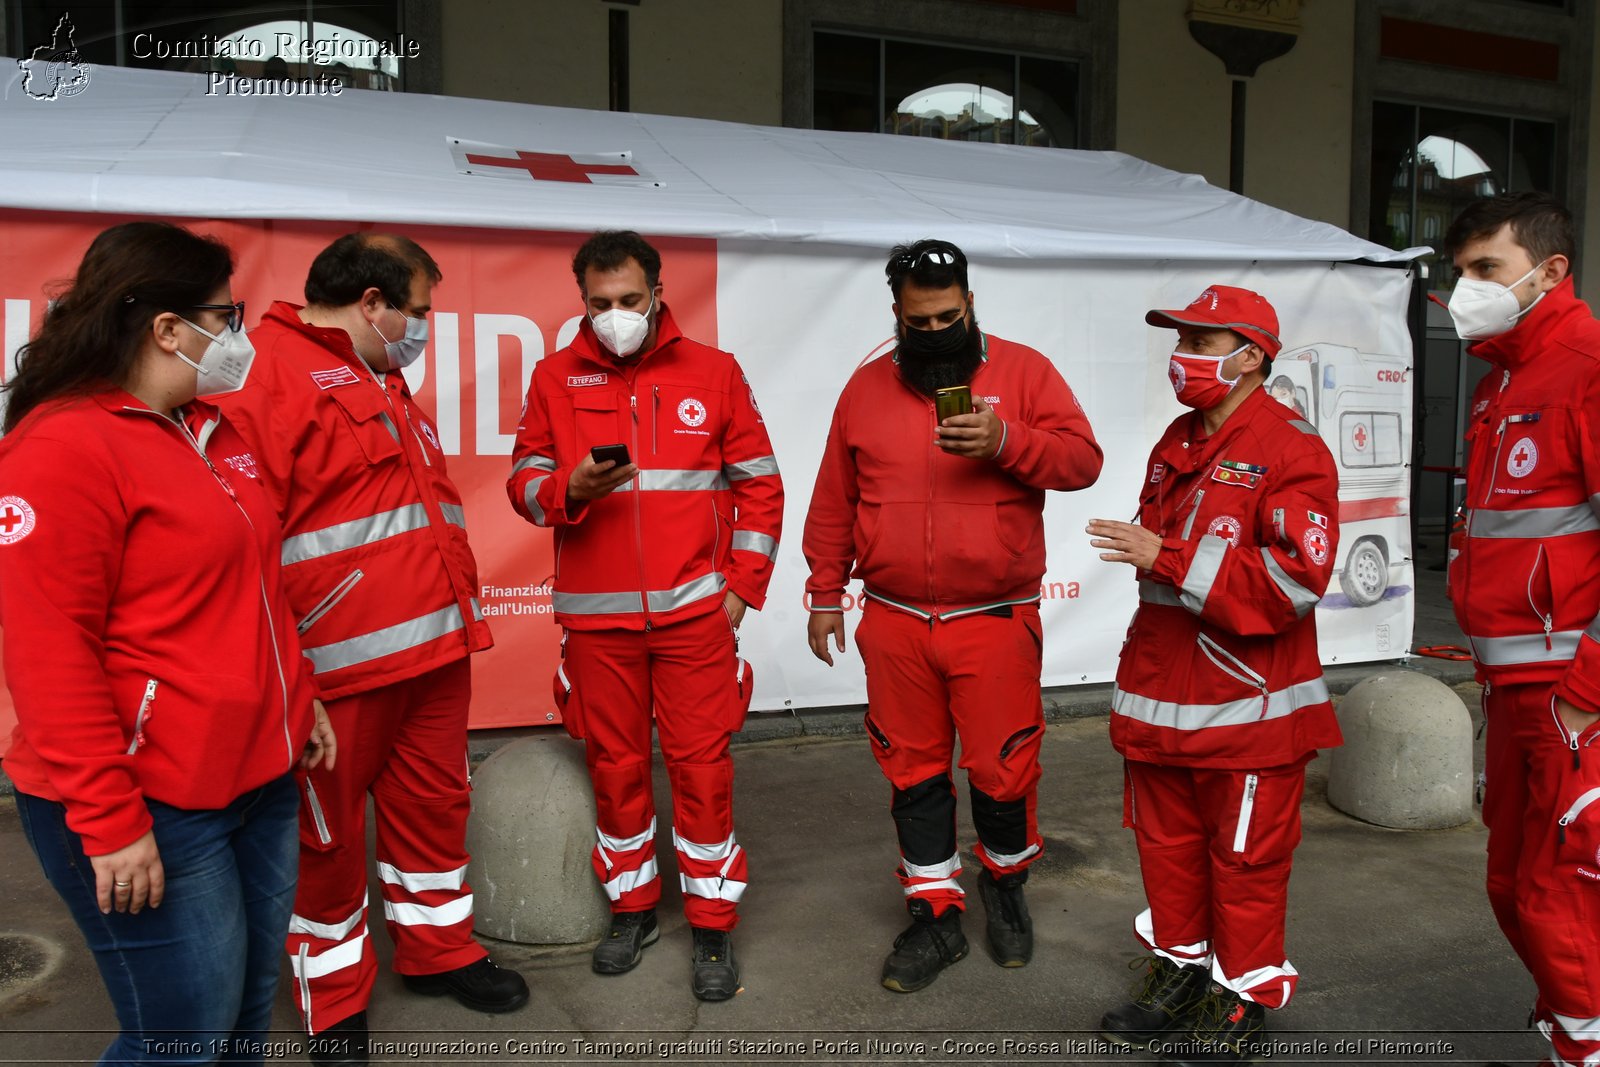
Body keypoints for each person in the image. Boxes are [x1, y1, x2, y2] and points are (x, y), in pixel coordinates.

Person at [0, 220, 333, 1064]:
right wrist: (111, 822)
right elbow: (49, 653)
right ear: (167, 328)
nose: (238, 336)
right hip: (151, 800)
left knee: (243, 1016)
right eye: (228, 316)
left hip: (259, 780)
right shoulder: (61, 447)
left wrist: (302, 698)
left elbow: (252, 589)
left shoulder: (214, 431)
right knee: (180, 1036)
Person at [219, 233, 526, 1065]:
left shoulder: (379, 373)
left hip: (432, 653)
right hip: (337, 667)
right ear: (372, 302)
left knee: (434, 812)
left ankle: (438, 950)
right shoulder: (262, 372)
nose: (424, 326)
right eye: (418, 310)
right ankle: (334, 998)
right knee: (323, 843)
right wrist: (292, 674)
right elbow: (244, 539)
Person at [803, 239, 1102, 992]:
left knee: (1002, 769)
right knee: (914, 773)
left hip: (994, 618)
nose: (934, 330)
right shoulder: (865, 389)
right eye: (918, 319)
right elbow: (835, 500)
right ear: (896, 314)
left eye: (947, 315)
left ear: (970, 303)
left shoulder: (1025, 372)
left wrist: (1009, 441)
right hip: (896, 617)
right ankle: (934, 913)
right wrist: (823, 592)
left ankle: (1005, 891)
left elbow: (1082, 461)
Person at [508, 230, 783, 1001]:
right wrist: (569, 490)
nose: (615, 315)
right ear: (582, 302)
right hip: (598, 626)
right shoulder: (553, 376)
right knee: (616, 767)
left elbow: (760, 483)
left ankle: (712, 923)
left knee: (702, 770)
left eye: (629, 301)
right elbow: (523, 480)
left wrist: (740, 589)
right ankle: (633, 908)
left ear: (659, 294)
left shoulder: (714, 372)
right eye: (599, 304)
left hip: (695, 618)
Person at [1086, 285, 1341, 1065]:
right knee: (1168, 852)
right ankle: (1182, 974)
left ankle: (1243, 996)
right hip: (1163, 700)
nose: (1186, 356)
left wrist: (1161, 554)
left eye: (1203, 341)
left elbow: (1295, 582)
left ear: (1252, 355)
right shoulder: (1178, 436)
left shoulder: (1295, 449)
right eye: (1183, 340)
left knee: (1245, 862)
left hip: (1248, 710)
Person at [1441, 191, 1600, 1067]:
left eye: (1485, 270)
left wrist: (1587, 692)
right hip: (1514, 686)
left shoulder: (1586, 366)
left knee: (1557, 893)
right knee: (1513, 885)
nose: (1466, 288)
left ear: (1550, 272)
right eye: (1460, 272)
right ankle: (1570, 1043)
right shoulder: (1506, 379)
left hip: (1570, 690)